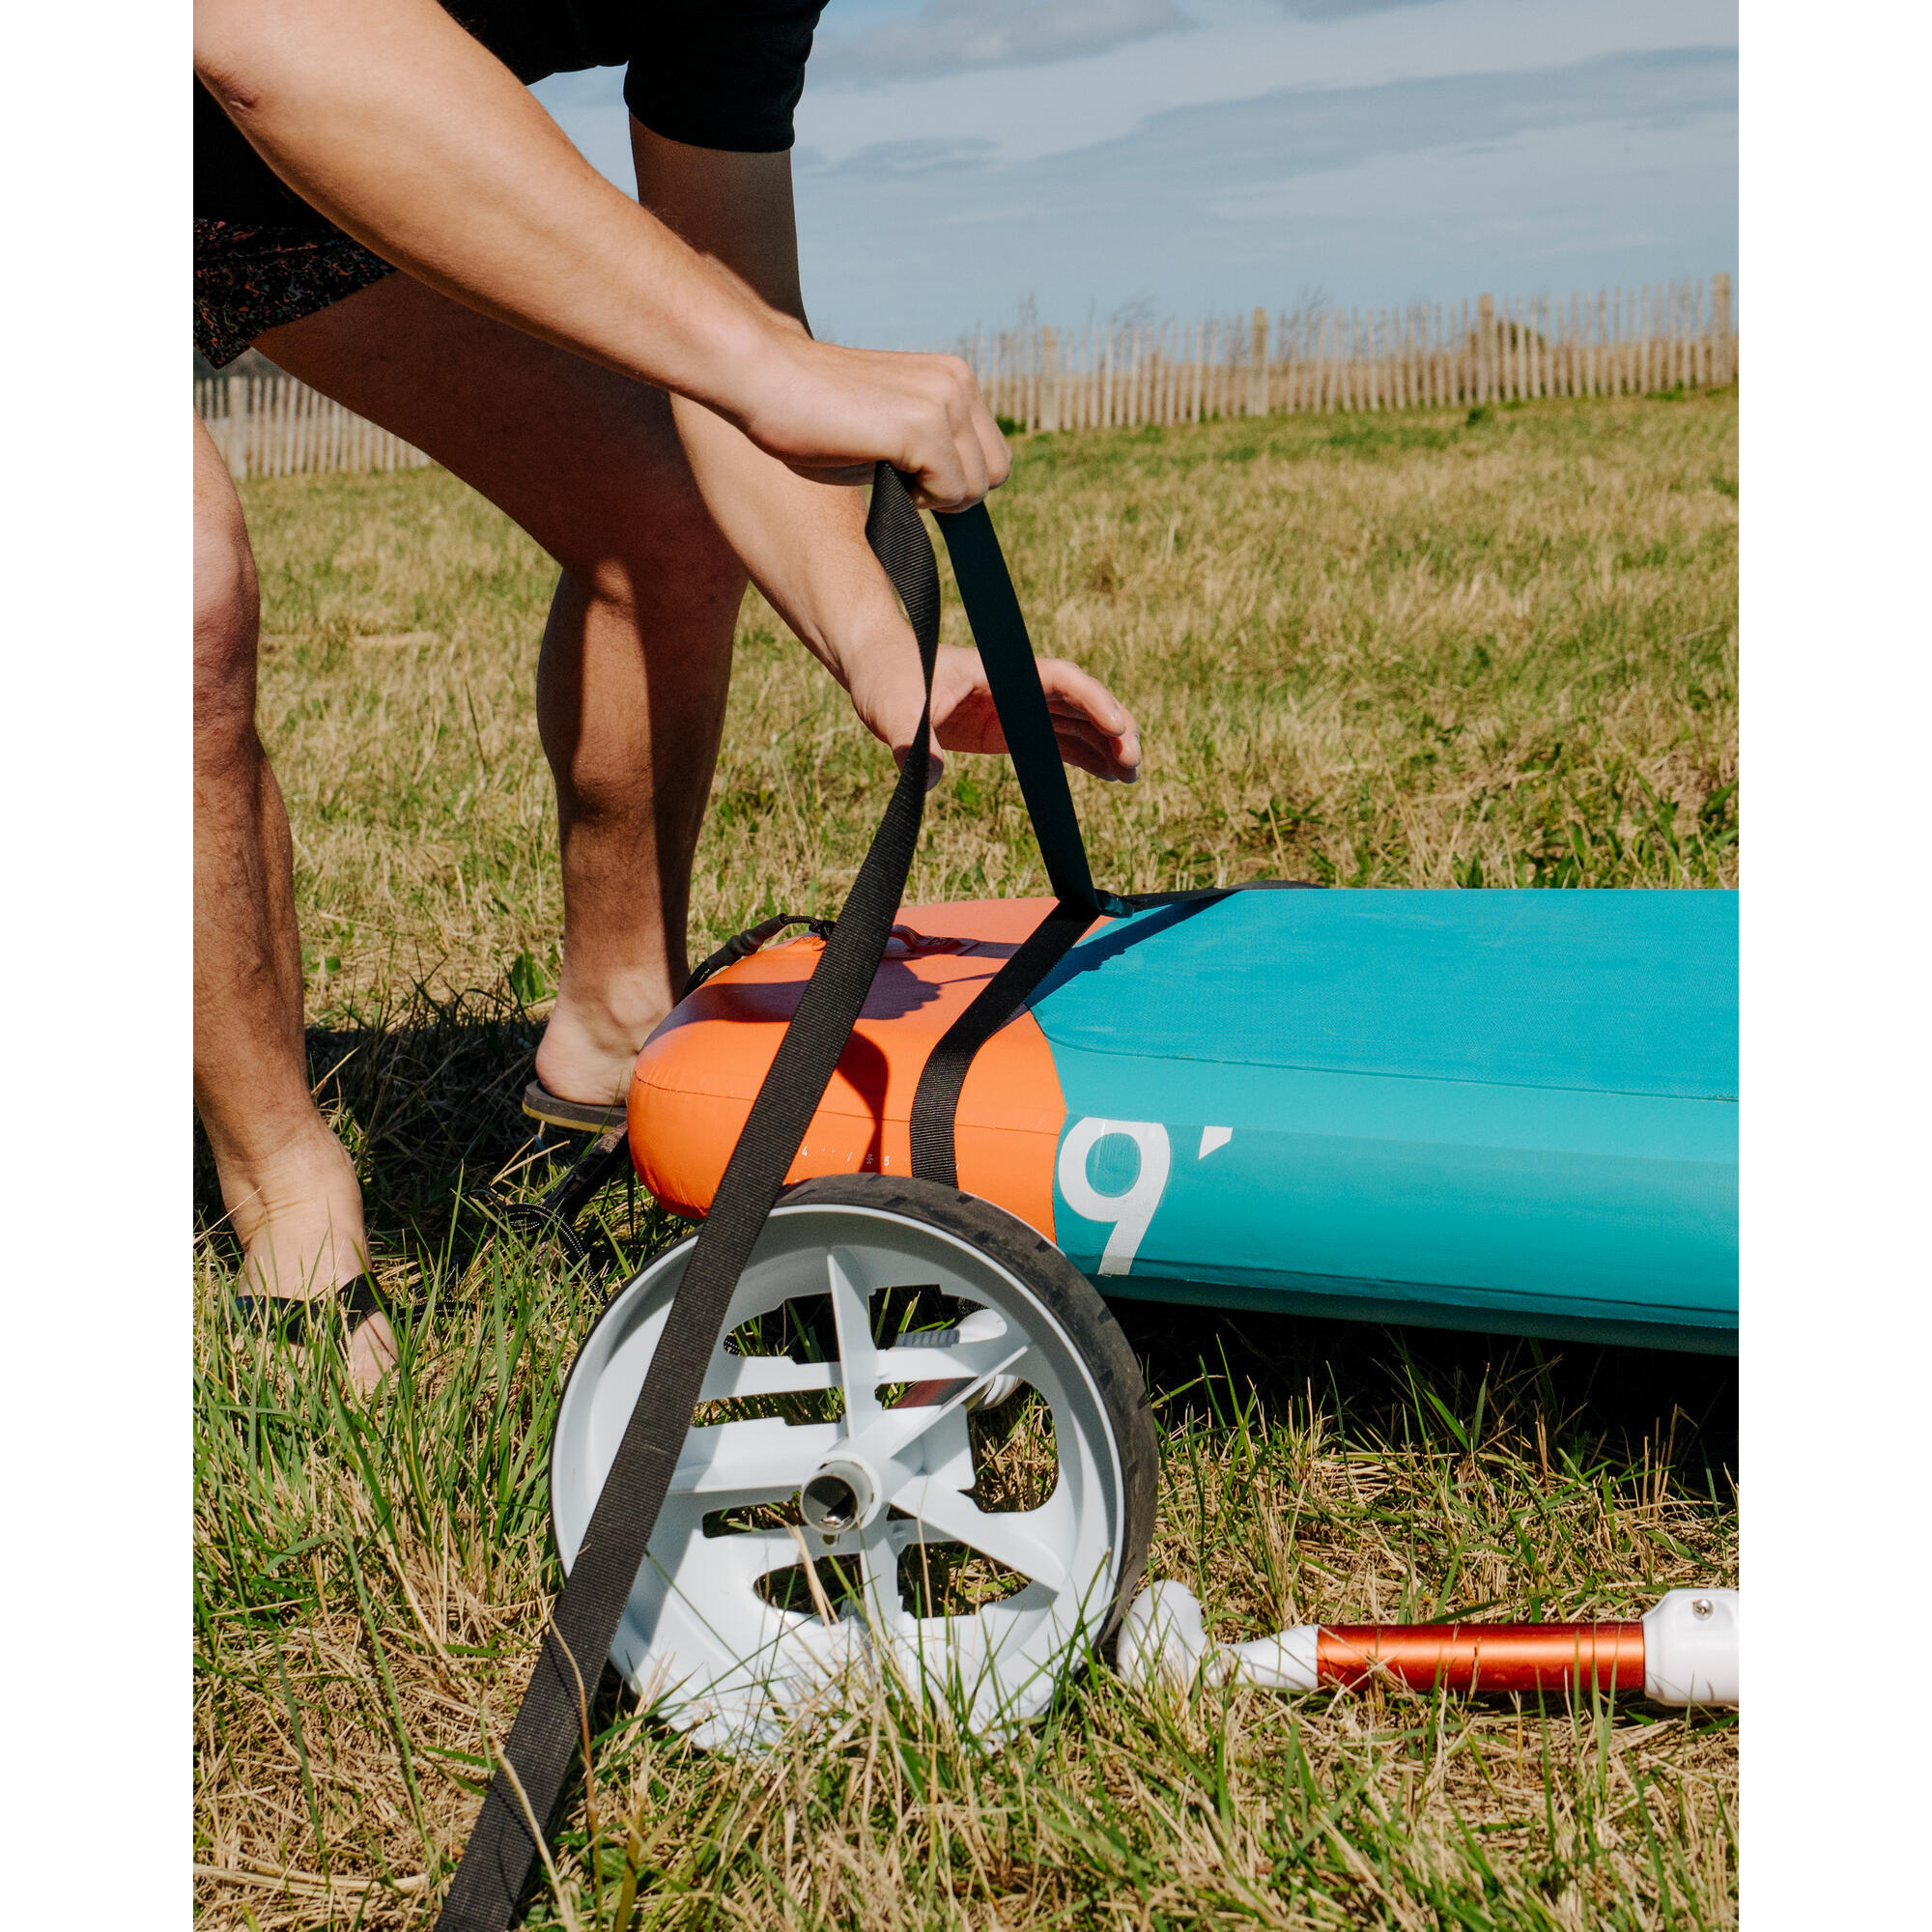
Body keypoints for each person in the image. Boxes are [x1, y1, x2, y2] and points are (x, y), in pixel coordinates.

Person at [193, 0, 1144, 1385]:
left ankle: (610, 1039)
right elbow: (262, 29)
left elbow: (736, 328)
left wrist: (882, 650)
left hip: (247, 175)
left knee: (665, 512)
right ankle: (284, 1186)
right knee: (180, 600)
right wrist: (761, 363)